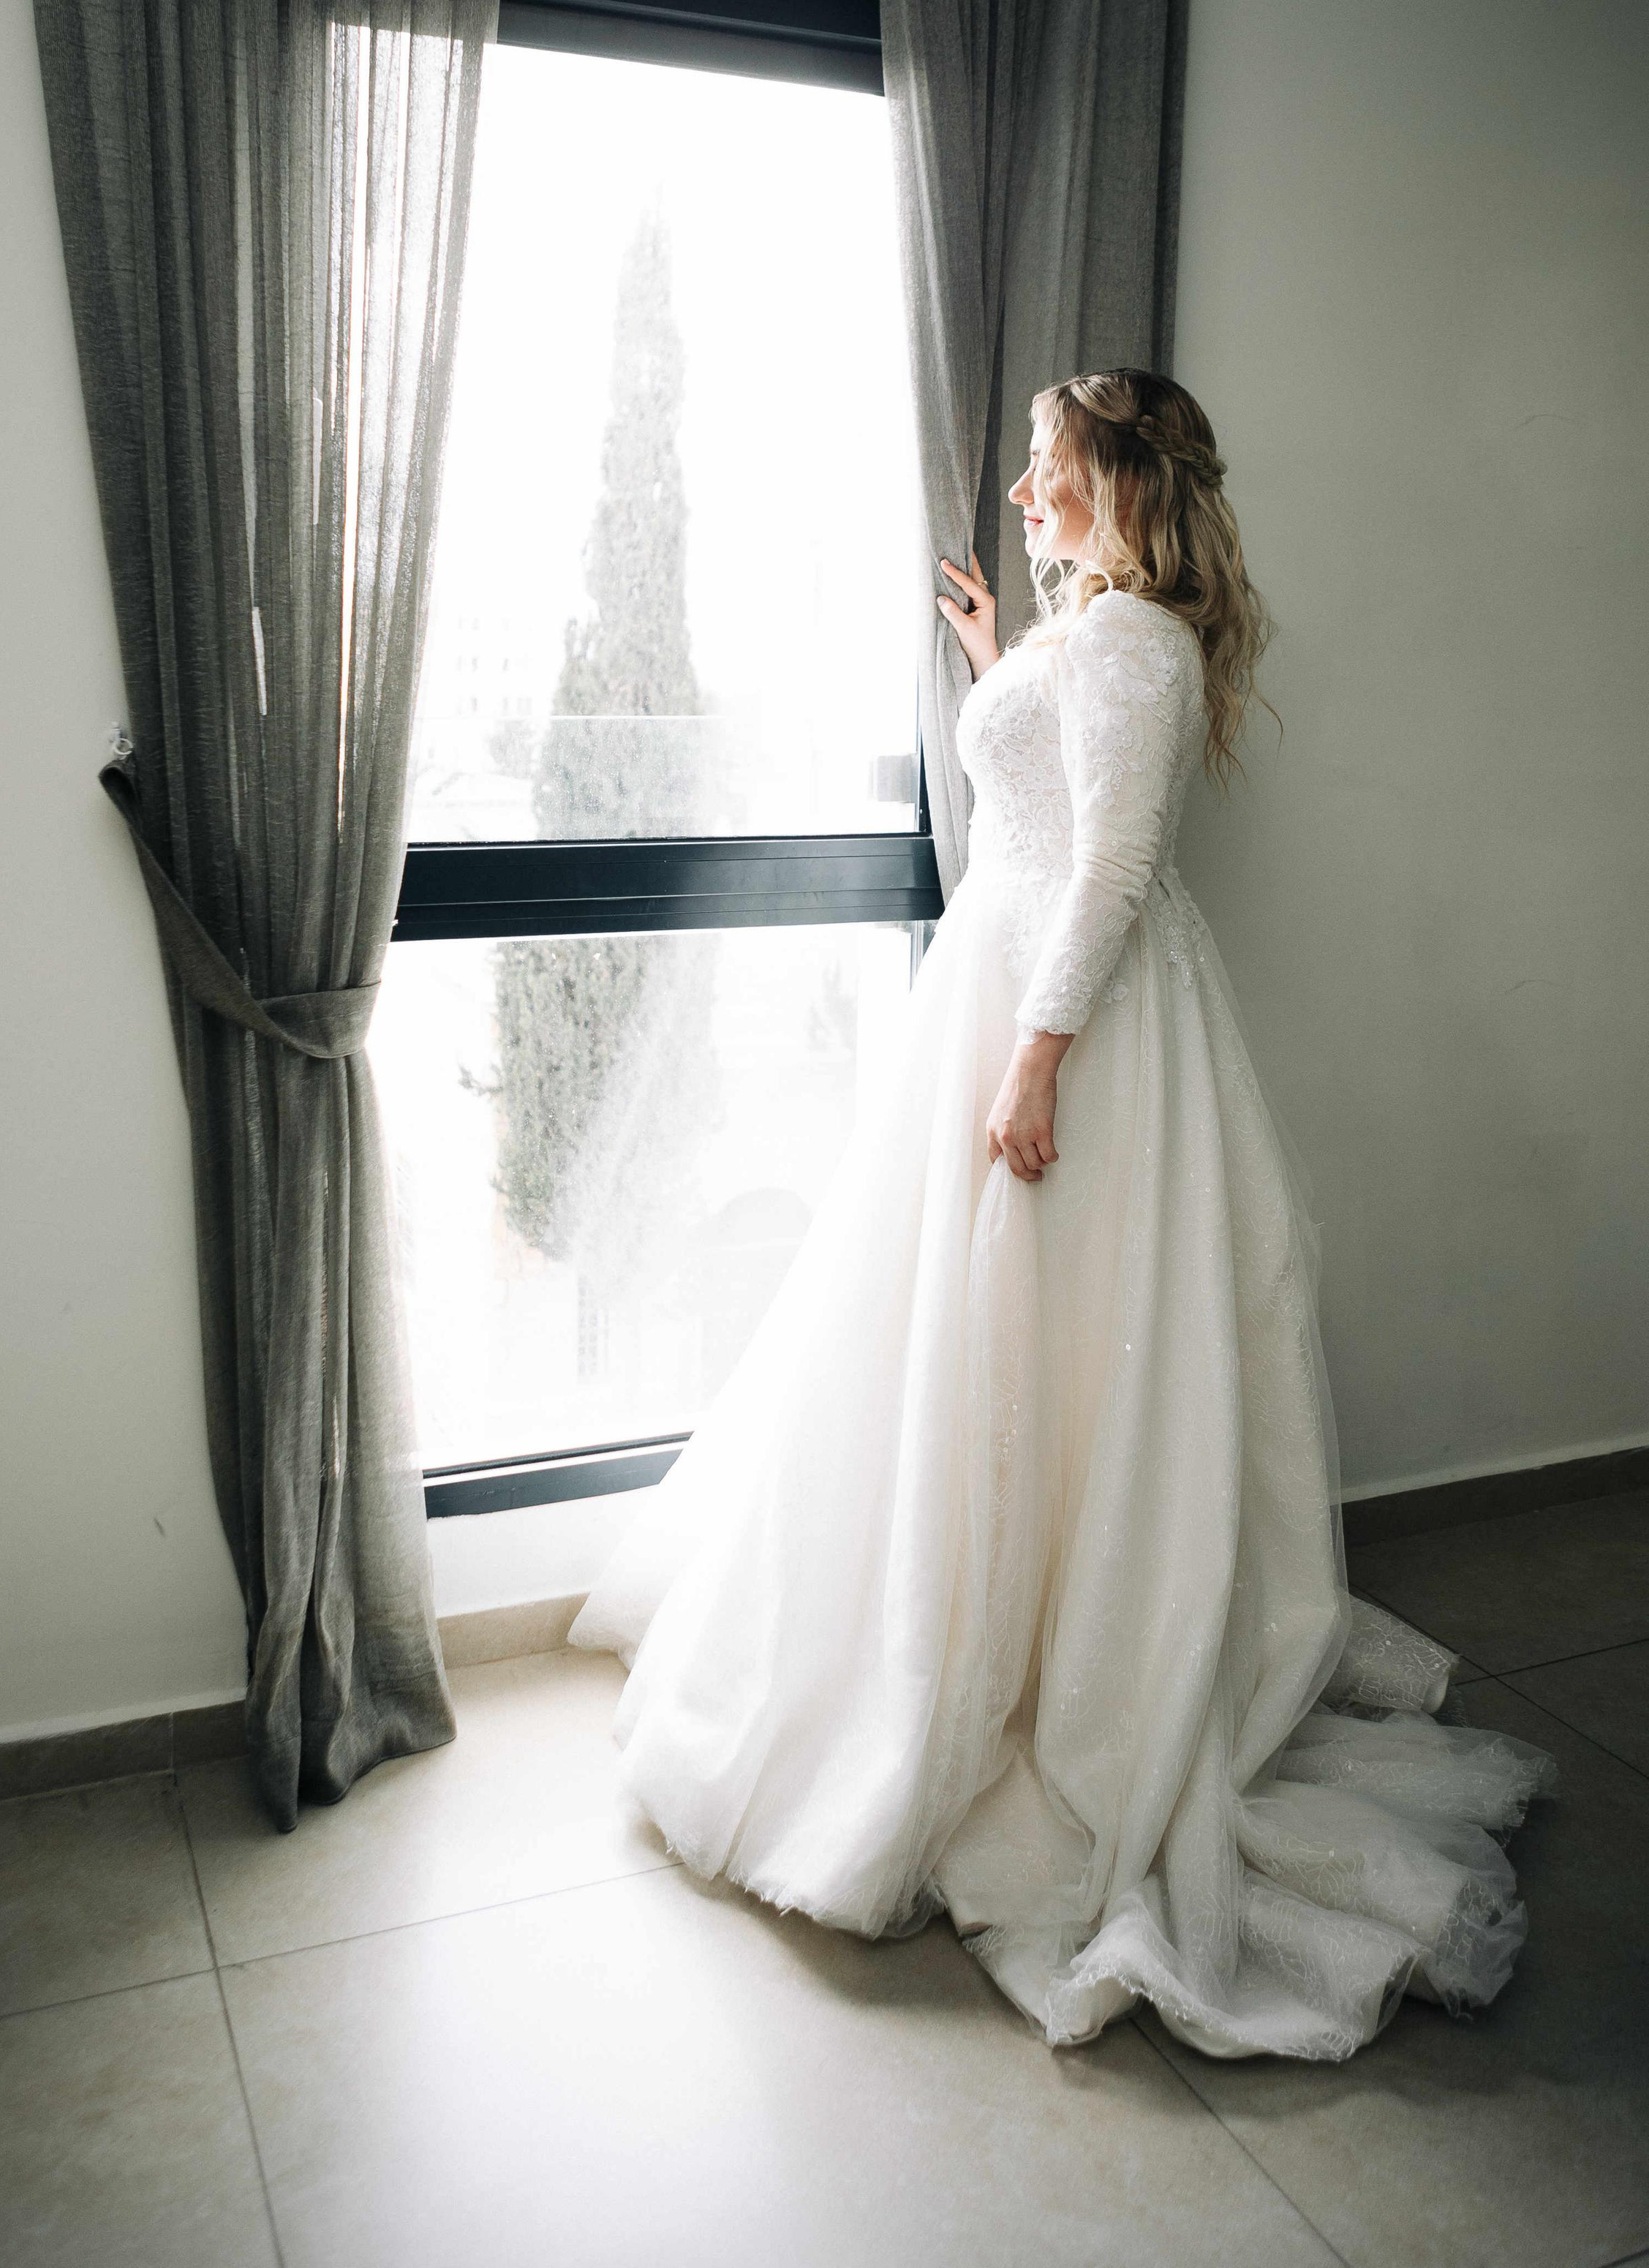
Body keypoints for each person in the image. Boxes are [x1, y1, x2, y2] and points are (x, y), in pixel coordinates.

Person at [569, 368, 1552, 2061]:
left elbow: (1104, 864)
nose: (1021, 497)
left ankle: (1056, 1684)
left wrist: (1032, 1064)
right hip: (1016, 986)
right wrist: (988, 659)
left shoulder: (1131, 647)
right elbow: (1054, 808)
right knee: (975, 1352)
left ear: (1119, 480)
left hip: (1067, 1024)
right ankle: (974, 1643)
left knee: (1052, 1350)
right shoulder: (1091, 639)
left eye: (1044, 470)